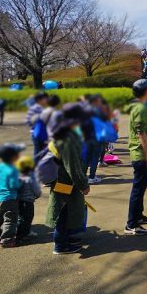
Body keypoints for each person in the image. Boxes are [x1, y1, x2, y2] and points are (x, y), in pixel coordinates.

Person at [46, 103, 90, 254]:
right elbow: (73, 166)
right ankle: (60, 245)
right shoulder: (68, 139)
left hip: (60, 180)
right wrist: (83, 184)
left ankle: (69, 239)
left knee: (67, 210)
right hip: (65, 182)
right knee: (63, 212)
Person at [126, 79, 147, 235]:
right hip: (141, 155)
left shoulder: (139, 106)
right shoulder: (140, 108)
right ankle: (131, 224)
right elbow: (140, 133)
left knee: (141, 187)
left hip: (141, 154)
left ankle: (138, 216)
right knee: (138, 189)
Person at [0, 142, 24, 248]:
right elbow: (14, 185)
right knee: (10, 220)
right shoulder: (13, 170)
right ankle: (7, 240)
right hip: (9, 198)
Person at [16, 155, 41, 242]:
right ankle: (25, 233)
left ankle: (18, 232)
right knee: (28, 218)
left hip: (18, 201)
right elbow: (36, 190)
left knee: (20, 217)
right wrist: (38, 195)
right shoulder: (30, 178)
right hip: (28, 202)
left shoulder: (17, 176)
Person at [26, 92, 50, 158]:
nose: (47, 100)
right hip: (38, 134)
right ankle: (36, 167)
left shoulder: (38, 108)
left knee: (39, 152)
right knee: (38, 153)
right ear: (40, 100)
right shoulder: (37, 108)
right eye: (45, 99)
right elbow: (28, 121)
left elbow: (28, 122)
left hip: (37, 133)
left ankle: (38, 166)